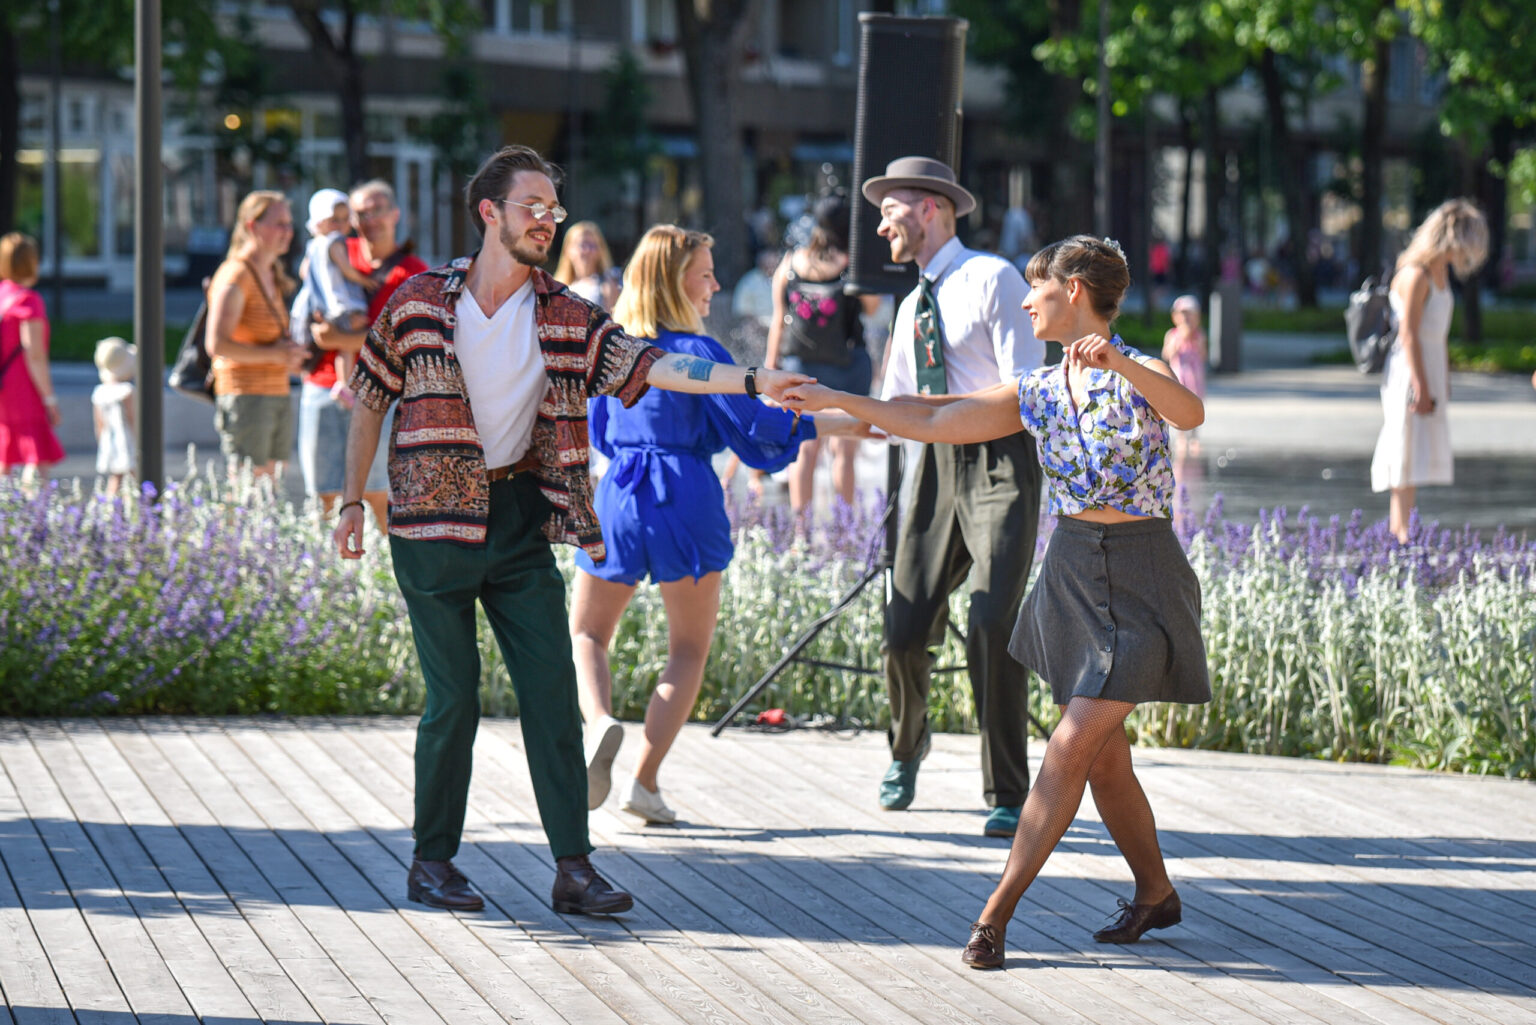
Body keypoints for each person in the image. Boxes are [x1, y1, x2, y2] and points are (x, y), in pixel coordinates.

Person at [331, 144, 810, 916]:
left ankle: (573, 867)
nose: (548, 221)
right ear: (489, 212)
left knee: (553, 689)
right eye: (534, 207)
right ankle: (432, 861)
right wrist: (352, 501)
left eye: (554, 209)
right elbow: (368, 396)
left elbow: (655, 365)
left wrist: (751, 380)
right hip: (429, 526)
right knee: (453, 698)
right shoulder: (418, 301)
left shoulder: (566, 314)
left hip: (518, 520)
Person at [784, 234, 1210, 970]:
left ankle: (995, 914)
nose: (1026, 302)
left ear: (1074, 291)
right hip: (1074, 574)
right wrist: (838, 399)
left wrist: (1122, 364)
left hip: (1143, 577)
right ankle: (1155, 892)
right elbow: (934, 418)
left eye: (1037, 289)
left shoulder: (1140, 368)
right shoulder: (1036, 389)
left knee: (1071, 744)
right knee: (1103, 759)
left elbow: (1190, 412)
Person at [569, 225, 865, 824]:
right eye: (705, 274)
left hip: (620, 491)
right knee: (688, 648)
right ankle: (643, 782)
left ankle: (598, 721)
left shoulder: (615, 349)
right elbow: (757, 432)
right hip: (686, 493)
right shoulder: (701, 354)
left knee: (588, 634)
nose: (716, 285)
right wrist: (840, 419)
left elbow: (596, 431)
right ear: (675, 282)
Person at [858, 156, 1045, 838]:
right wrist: (807, 412)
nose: (882, 226)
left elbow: (1024, 390)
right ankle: (907, 747)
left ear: (931, 208)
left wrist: (935, 413)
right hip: (934, 467)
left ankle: (1008, 789)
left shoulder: (994, 278)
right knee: (903, 630)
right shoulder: (911, 306)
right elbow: (892, 414)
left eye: (891, 211)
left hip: (1000, 459)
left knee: (993, 622)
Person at [299, 180, 428, 527]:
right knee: (322, 494)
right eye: (361, 213)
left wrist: (340, 338)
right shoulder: (335, 249)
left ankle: (378, 563)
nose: (370, 220)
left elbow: (404, 342)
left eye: (378, 210)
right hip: (323, 387)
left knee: (377, 495)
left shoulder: (413, 271)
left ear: (395, 214)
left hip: (380, 395)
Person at [1370, 199, 1489, 543]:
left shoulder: (1440, 273)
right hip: (1410, 370)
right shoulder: (1416, 274)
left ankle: (1404, 532)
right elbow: (1408, 334)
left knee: (1416, 453)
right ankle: (1399, 534)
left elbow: (1437, 333)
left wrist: (1443, 378)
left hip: (1429, 367)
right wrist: (1421, 385)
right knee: (1403, 450)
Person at [764, 194, 881, 513]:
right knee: (845, 450)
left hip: (802, 366)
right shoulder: (850, 265)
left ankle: (802, 529)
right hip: (849, 366)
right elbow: (872, 308)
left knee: (805, 448)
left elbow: (779, 320)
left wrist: (770, 370)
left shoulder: (791, 263)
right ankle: (845, 525)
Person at [205, 191, 306, 480]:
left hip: (277, 391)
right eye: (279, 224)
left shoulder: (271, 272)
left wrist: (290, 355)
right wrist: (277, 354)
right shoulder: (236, 274)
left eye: (289, 224)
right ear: (253, 226)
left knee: (271, 490)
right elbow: (217, 344)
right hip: (245, 395)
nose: (288, 232)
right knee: (248, 488)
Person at [290, 188, 375, 405]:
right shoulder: (335, 241)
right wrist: (364, 281)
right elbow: (346, 268)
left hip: (323, 304)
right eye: (335, 220)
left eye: (345, 219)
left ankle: (342, 384)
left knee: (340, 343)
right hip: (341, 302)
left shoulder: (313, 245)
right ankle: (344, 385)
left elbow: (304, 272)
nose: (341, 225)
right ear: (320, 221)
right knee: (346, 344)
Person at [0, 233, 64, 483]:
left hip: (2, 385)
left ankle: (6, 505)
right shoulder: (28, 301)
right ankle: (37, 505)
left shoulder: (3, 295)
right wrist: (49, 398)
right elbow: (34, 354)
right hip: (22, 385)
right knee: (35, 456)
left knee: (5, 453)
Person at [1161, 294, 1207, 454]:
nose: (1186, 319)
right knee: (1180, 405)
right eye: (1183, 315)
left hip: (1194, 376)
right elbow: (1166, 354)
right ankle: (1181, 436)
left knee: (1194, 404)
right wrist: (1177, 342)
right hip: (1179, 376)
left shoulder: (1199, 335)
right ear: (1175, 317)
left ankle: (1194, 437)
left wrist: (1196, 342)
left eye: (1190, 315)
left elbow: (1203, 355)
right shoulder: (1172, 334)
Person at [92, 336, 137, 497]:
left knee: (116, 477)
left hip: (109, 439)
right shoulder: (127, 391)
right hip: (127, 439)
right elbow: (132, 418)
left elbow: (99, 422)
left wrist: (101, 441)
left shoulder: (100, 392)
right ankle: (137, 504)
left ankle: (109, 505)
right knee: (134, 476)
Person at [553, 220, 620, 310]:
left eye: (593, 245)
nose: (587, 250)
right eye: (582, 245)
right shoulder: (556, 287)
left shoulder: (608, 284)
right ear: (568, 249)